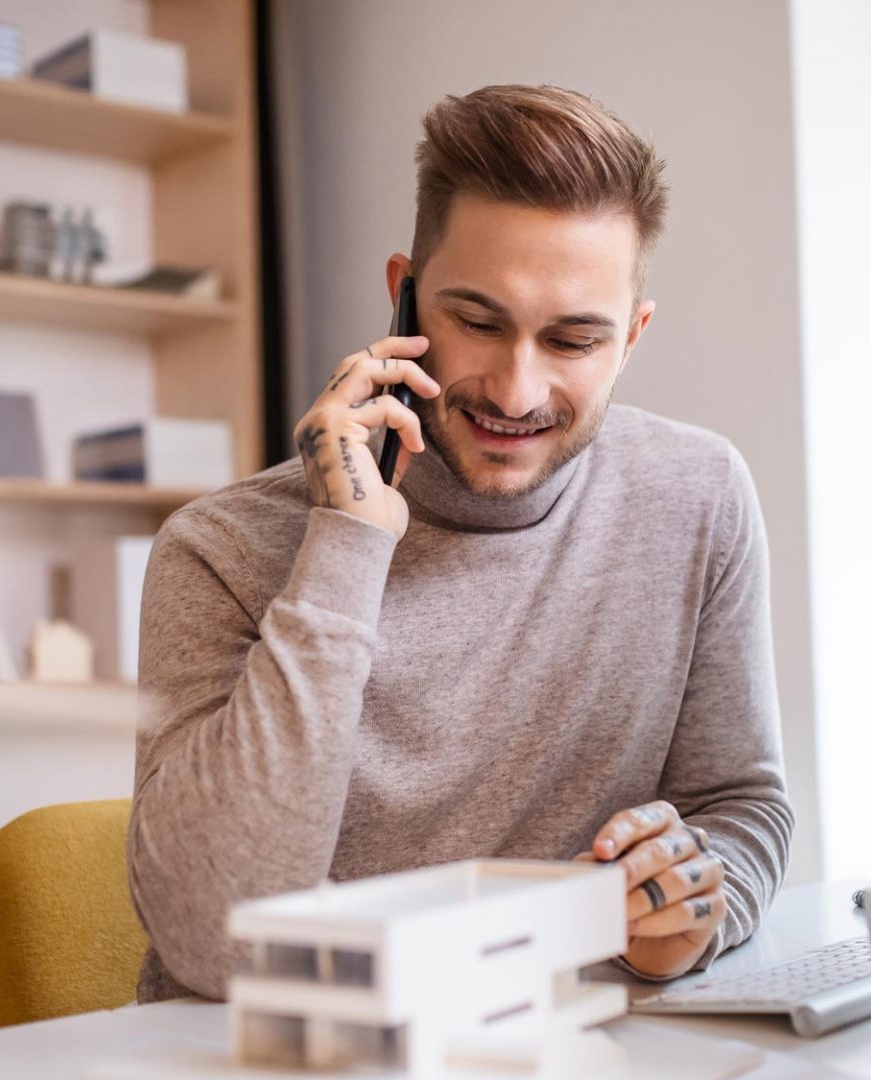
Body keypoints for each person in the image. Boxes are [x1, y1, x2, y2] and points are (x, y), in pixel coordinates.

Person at [128, 83, 793, 1002]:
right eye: (477, 322)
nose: (517, 392)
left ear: (631, 338)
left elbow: (739, 805)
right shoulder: (219, 550)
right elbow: (216, 945)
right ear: (404, 298)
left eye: (572, 340)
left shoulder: (697, 497)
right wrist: (346, 541)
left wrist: (685, 917)